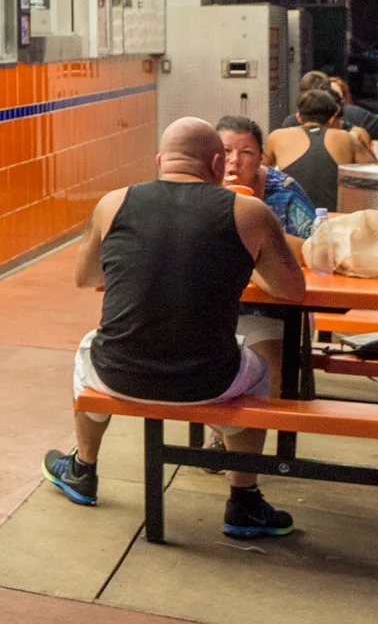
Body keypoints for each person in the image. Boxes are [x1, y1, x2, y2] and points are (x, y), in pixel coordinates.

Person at [44, 115, 307, 538]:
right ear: (218, 164)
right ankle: (244, 498)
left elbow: (87, 277)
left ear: (160, 160)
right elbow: (292, 290)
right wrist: (247, 265)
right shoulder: (248, 212)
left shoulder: (113, 203)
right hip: (208, 380)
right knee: (257, 370)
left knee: (88, 349)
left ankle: (83, 469)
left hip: (119, 375)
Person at [266, 83, 373, 213]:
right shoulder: (346, 138)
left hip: (292, 222)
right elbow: (372, 173)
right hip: (334, 220)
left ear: (299, 117)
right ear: (332, 119)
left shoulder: (277, 136)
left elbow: (259, 171)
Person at [217, 114, 317, 240]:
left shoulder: (283, 191)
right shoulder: (202, 187)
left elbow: (316, 245)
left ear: (260, 159)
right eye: (226, 150)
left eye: (246, 152)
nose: (235, 160)